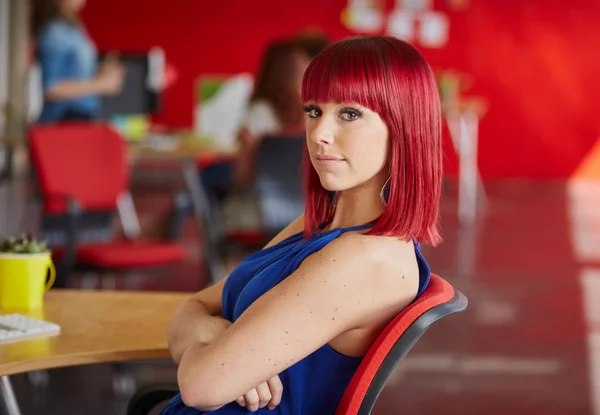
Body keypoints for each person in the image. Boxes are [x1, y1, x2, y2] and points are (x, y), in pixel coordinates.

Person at [162, 35, 443, 414]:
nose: (319, 134)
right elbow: (192, 307)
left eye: (349, 114)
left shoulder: (365, 259)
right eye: (314, 111)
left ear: (403, 126)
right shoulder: (318, 224)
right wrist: (215, 333)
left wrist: (211, 348)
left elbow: (200, 387)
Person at [218, 40, 310, 231]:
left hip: (260, 212)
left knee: (205, 186)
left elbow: (242, 177)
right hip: (311, 212)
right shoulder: (315, 117)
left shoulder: (257, 114)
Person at [31, 0, 125, 123]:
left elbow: (74, 72)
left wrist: (100, 72)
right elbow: (51, 88)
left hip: (80, 118)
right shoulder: (55, 32)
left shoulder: (73, 28)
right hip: (63, 120)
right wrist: (101, 84)